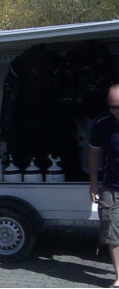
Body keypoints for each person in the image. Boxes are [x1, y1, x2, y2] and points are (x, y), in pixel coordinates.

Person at [89, 84, 119, 288]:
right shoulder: (101, 123)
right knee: (112, 231)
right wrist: (93, 185)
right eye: (113, 107)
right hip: (111, 187)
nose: (117, 111)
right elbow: (94, 154)